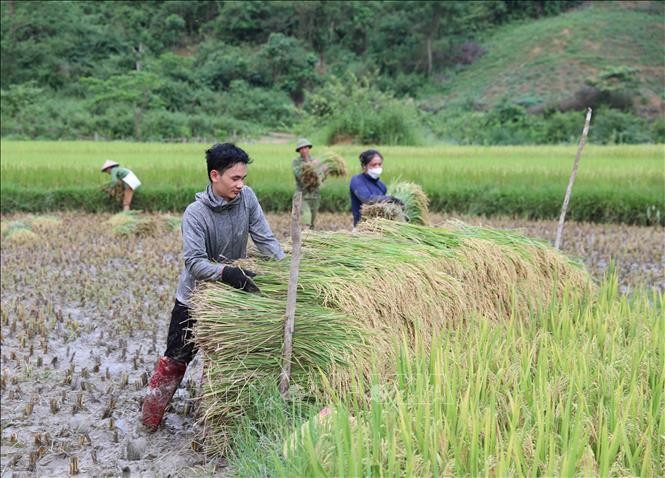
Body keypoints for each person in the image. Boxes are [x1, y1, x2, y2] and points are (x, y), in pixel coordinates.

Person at [142, 143, 285, 432]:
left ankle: (214, 423)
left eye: (244, 178)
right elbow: (194, 263)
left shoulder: (248, 199)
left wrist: (286, 271)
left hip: (230, 298)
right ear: (215, 175)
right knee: (176, 358)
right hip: (194, 299)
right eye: (235, 179)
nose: (241, 185)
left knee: (222, 358)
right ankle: (148, 421)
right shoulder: (196, 213)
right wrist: (228, 272)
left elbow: (265, 239)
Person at [349, 149, 403, 227]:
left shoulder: (381, 185)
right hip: (362, 228)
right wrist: (390, 199)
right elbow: (367, 199)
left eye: (379, 164)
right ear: (364, 166)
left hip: (380, 228)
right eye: (373, 165)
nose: (377, 167)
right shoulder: (357, 181)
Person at [292, 138, 324, 229]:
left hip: (315, 195)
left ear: (309, 148)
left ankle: (308, 240)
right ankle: (305, 233)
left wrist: (324, 169)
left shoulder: (316, 160)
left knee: (312, 222)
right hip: (302, 195)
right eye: (302, 148)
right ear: (299, 151)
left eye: (306, 147)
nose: (304, 150)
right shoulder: (296, 162)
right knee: (306, 218)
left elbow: (320, 177)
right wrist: (309, 165)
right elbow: (300, 176)